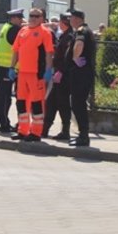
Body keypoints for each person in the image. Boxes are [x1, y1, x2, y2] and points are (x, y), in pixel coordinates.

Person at [8, 8, 54, 141]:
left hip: (36, 74)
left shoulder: (45, 33)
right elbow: (16, 50)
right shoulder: (22, 31)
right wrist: (12, 67)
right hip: (22, 72)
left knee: (37, 104)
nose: (33, 18)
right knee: (21, 103)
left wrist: (48, 70)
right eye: (31, 15)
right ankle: (22, 130)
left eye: (36, 16)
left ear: (42, 18)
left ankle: (36, 133)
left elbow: (48, 53)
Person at [0, 9, 23, 133]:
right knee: (5, 97)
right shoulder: (14, 29)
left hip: (1, 65)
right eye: (19, 18)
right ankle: (4, 123)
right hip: (7, 67)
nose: (21, 20)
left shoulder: (6, 27)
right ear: (13, 18)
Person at [65, 9, 96, 147]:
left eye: (71, 18)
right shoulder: (86, 30)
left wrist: (74, 57)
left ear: (77, 19)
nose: (69, 20)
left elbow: (79, 44)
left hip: (80, 74)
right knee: (78, 104)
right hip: (83, 74)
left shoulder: (81, 31)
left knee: (78, 104)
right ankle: (83, 135)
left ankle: (83, 136)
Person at [42, 13, 73, 140]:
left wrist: (62, 71)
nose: (59, 24)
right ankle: (44, 129)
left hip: (64, 76)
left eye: (60, 22)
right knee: (51, 102)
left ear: (64, 23)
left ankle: (65, 131)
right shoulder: (65, 35)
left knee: (63, 104)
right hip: (58, 74)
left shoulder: (70, 36)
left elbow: (68, 57)